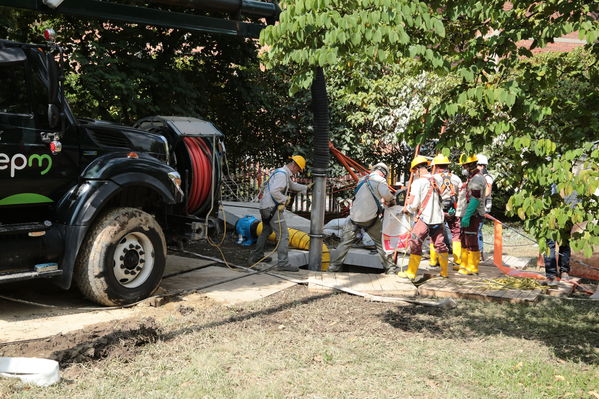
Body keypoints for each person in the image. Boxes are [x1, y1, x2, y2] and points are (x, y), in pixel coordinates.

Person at [328, 163, 396, 273]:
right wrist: (392, 201)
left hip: (354, 218)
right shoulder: (380, 180)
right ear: (384, 174)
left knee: (344, 244)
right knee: (381, 243)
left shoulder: (363, 179)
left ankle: (333, 268)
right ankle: (390, 269)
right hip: (371, 220)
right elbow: (387, 197)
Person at [248, 155, 308, 271]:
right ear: (294, 165)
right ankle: (283, 263)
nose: (298, 172)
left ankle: (257, 255)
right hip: (272, 208)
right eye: (299, 169)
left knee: (266, 230)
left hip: (265, 207)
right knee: (284, 235)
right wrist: (284, 199)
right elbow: (275, 191)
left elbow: (292, 185)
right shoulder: (282, 175)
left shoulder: (281, 172)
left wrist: (305, 188)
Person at [398, 156, 449, 279]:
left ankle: (411, 272)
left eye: (414, 171)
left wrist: (407, 209)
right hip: (438, 218)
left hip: (425, 218)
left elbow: (414, 204)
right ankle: (444, 272)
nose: (414, 174)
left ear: (417, 169)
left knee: (415, 242)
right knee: (440, 244)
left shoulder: (418, 183)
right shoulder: (438, 179)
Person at [455, 154, 487, 275]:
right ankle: (464, 264)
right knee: (464, 239)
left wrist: (467, 215)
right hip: (466, 214)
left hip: (473, 215)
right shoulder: (471, 178)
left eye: (463, 165)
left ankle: (473, 267)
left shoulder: (477, 179)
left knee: (471, 240)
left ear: (468, 165)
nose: (462, 167)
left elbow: (475, 199)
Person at [430, 154, 462, 269]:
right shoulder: (456, 178)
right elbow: (461, 194)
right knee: (456, 234)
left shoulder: (433, 178)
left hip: (438, 210)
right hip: (453, 209)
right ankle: (457, 262)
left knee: (435, 234)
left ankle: (434, 261)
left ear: (436, 166)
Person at [476, 154, 494, 260]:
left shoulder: (487, 178)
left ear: (482, 166)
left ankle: (480, 253)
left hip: (483, 207)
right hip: (478, 206)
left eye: (477, 165)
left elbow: (487, 192)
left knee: (477, 229)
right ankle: (478, 252)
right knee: (476, 229)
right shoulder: (479, 177)